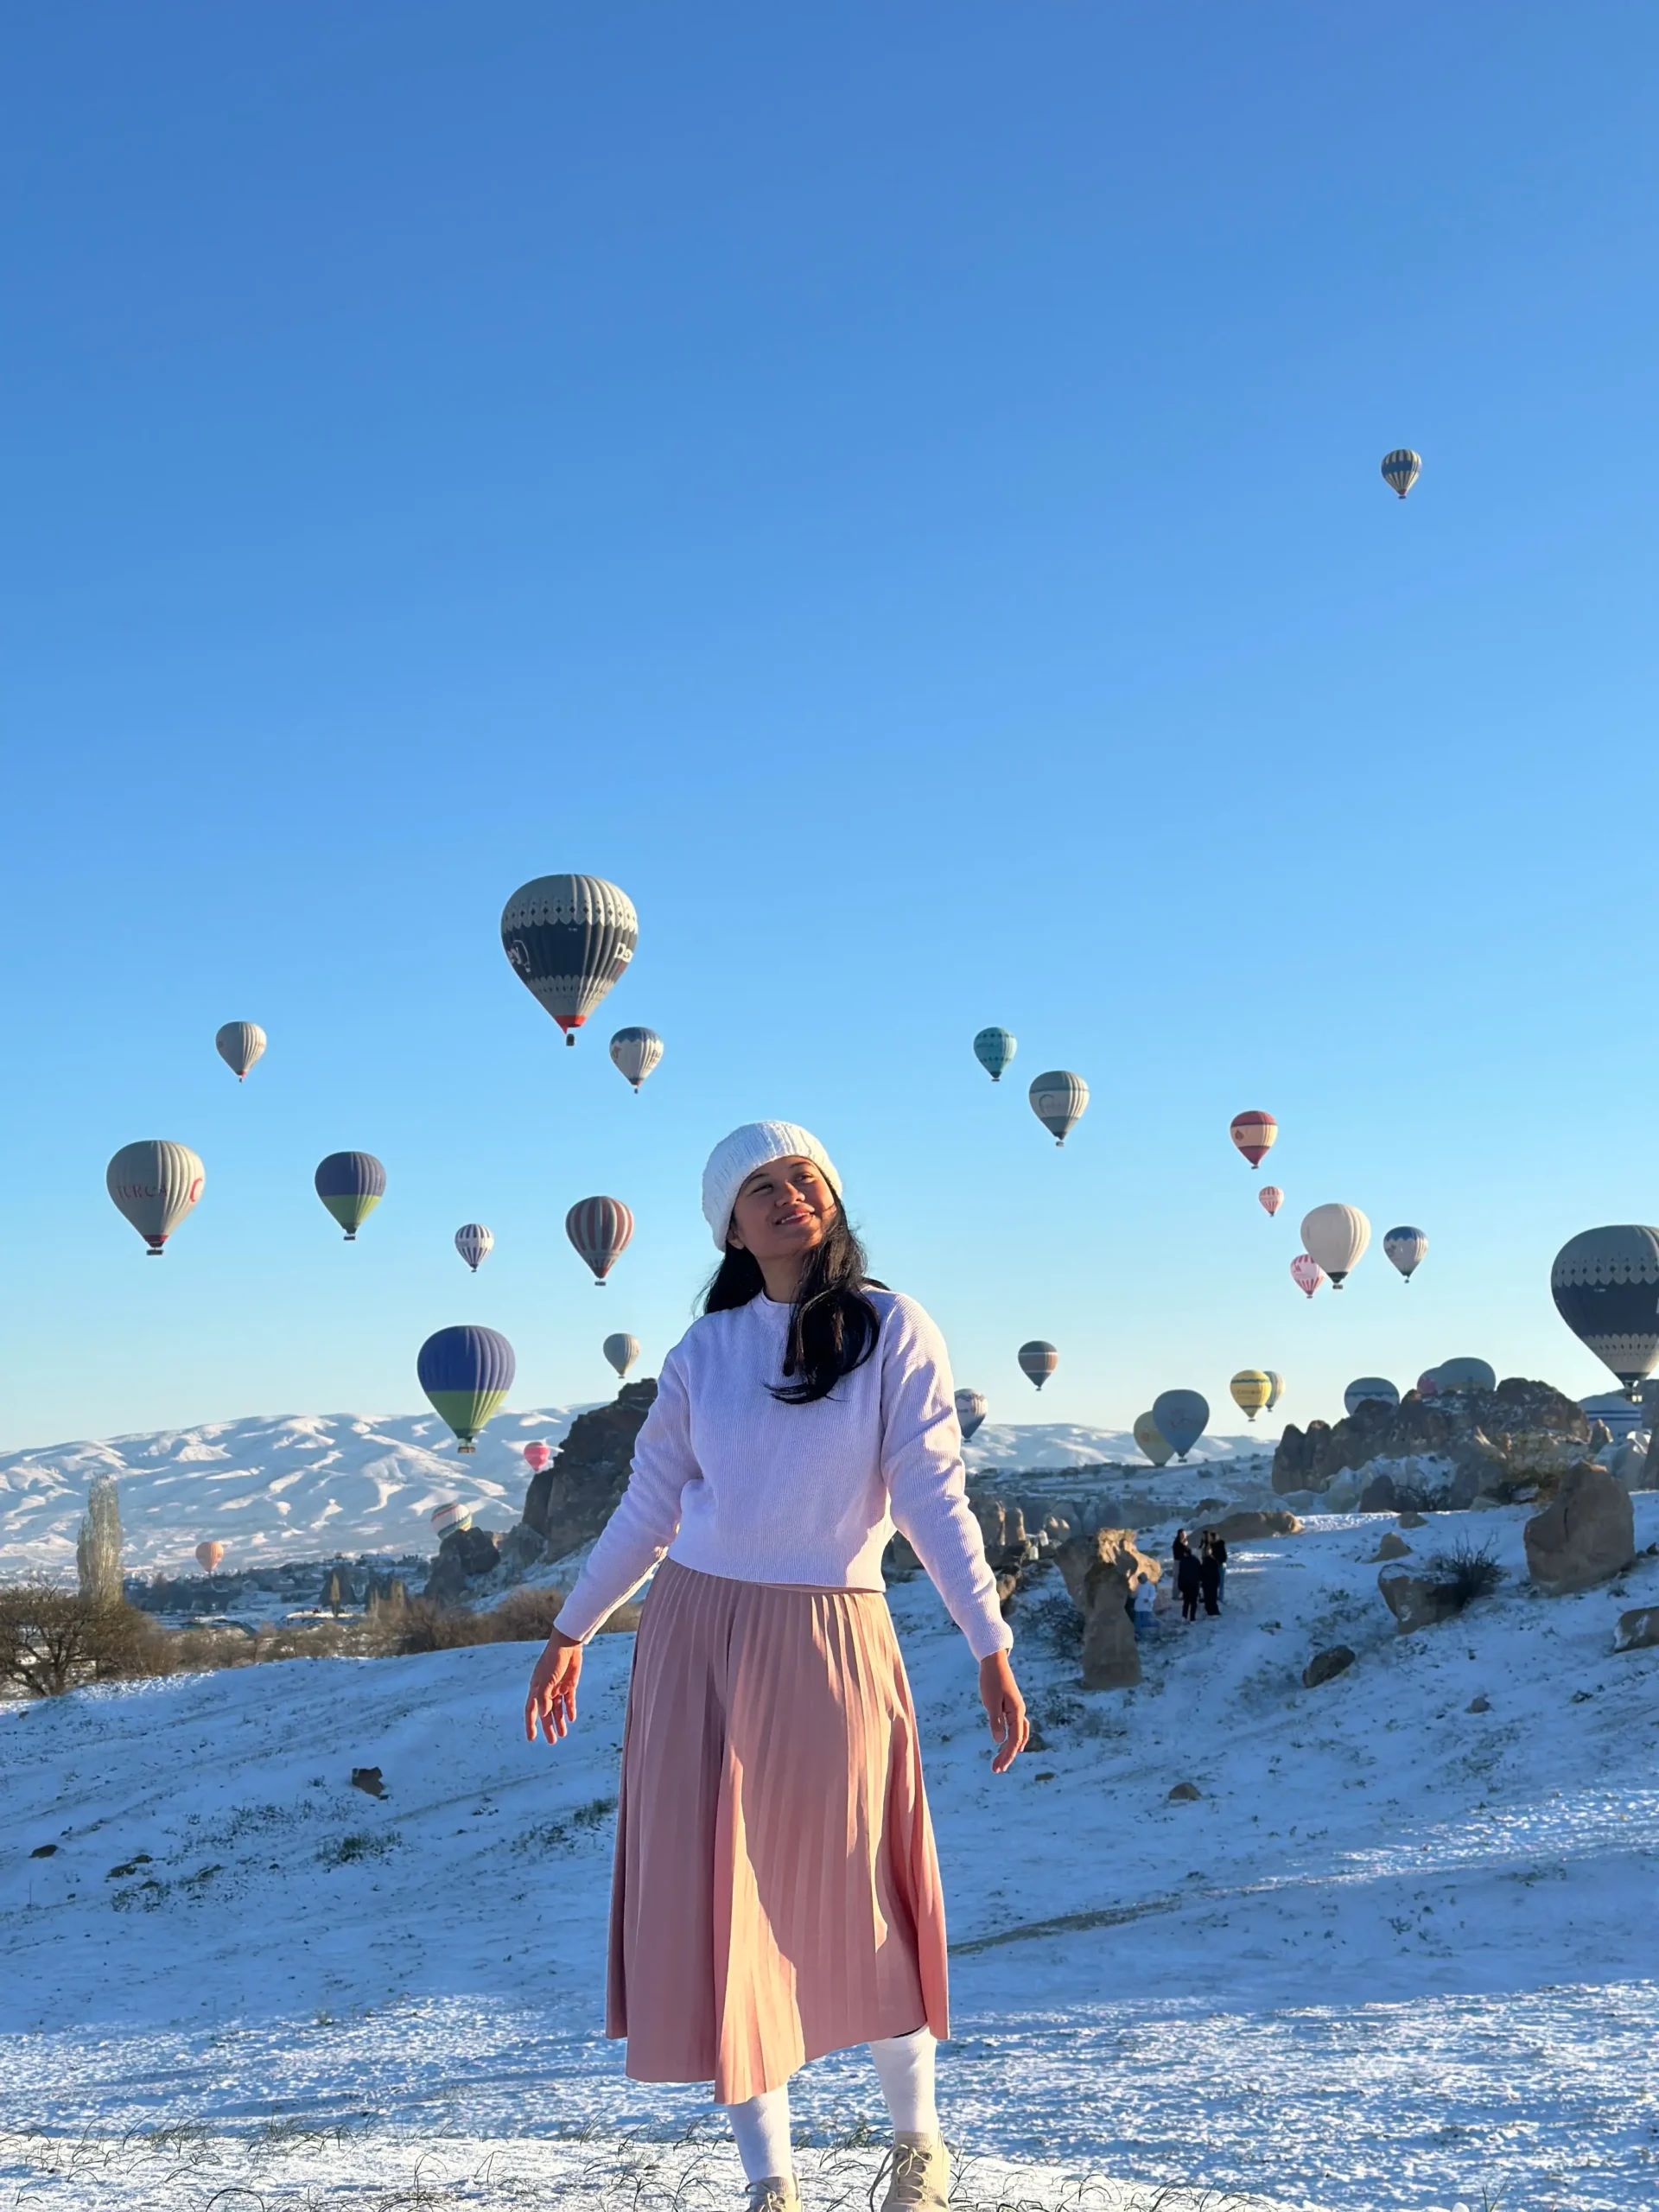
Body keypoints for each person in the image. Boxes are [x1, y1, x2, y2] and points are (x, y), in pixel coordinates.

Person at [524, 1122, 1027, 2212]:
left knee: (865, 1894)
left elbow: (934, 1492)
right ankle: (772, 2184)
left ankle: (917, 2147)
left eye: (804, 1177)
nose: (789, 1195)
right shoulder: (703, 1355)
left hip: (836, 1632)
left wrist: (986, 1641)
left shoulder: (893, 1327)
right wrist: (570, 1631)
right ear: (730, 1225)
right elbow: (649, 1511)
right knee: (725, 1908)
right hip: (695, 1635)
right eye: (761, 1186)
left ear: (831, 1198)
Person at [1176, 1544, 1202, 1622]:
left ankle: (1184, 1617)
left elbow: (1180, 1575)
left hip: (1186, 1585)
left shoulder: (1182, 1562)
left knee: (1186, 1602)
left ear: (1185, 1553)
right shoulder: (1196, 1560)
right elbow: (1200, 1572)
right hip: (1194, 1584)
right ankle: (1192, 1618)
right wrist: (1199, 1582)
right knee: (1194, 1603)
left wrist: (1180, 1586)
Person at [1198, 1533, 1223, 1618]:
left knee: (1210, 1597)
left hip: (1209, 1582)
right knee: (1212, 1597)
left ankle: (1211, 1610)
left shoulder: (1208, 1562)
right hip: (1211, 1582)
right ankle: (1213, 1611)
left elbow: (1202, 1573)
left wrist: (1201, 1581)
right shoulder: (1212, 1561)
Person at [1132, 1572, 1157, 1641]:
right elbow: (1136, 1594)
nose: (1139, 1581)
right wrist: (1132, 1595)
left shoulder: (1151, 1586)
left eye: (1140, 1580)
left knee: (1145, 1622)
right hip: (1138, 1606)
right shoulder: (1139, 1586)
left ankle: (1157, 1623)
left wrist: (1148, 1599)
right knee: (1138, 1622)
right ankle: (1138, 1635)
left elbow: (1153, 1596)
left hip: (1146, 1607)